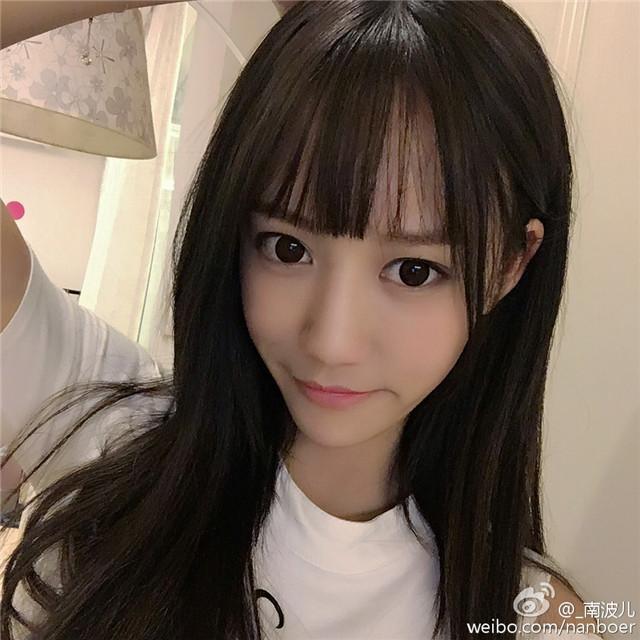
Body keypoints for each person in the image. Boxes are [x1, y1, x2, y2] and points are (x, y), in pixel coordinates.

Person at [0, 1, 604, 639]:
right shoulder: (106, 436)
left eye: (414, 271)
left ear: (511, 264)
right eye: (288, 249)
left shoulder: (538, 620)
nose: (331, 342)